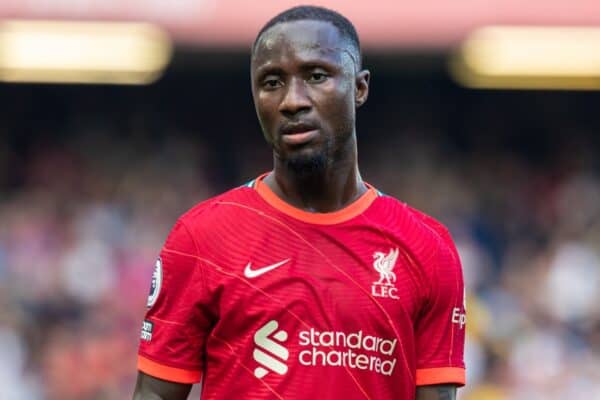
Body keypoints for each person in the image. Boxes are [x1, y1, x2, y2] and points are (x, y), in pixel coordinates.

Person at [132, 5, 465, 400]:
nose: (292, 101)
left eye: (317, 76)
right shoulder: (201, 239)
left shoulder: (426, 247)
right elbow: (154, 394)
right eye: (271, 82)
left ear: (360, 88)